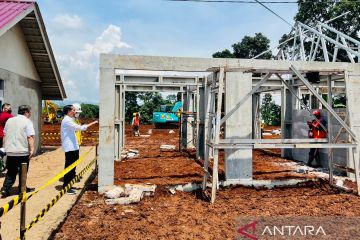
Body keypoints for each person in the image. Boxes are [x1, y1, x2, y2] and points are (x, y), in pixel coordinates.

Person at [61, 105, 98, 195]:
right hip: (70, 147)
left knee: (73, 166)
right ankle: (66, 186)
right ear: (69, 111)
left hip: (73, 147)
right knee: (69, 166)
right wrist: (93, 123)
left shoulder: (70, 120)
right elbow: (80, 128)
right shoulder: (67, 121)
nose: (75, 112)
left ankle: (70, 184)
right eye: (74, 110)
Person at [1, 105, 35, 197]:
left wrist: (5, 147)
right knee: (23, 171)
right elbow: (30, 136)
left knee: (11, 171)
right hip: (22, 151)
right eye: (29, 112)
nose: (30, 114)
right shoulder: (27, 121)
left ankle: (5, 189)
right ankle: (22, 189)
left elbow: (5, 135)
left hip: (10, 151)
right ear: (26, 112)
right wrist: (31, 149)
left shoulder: (9, 120)